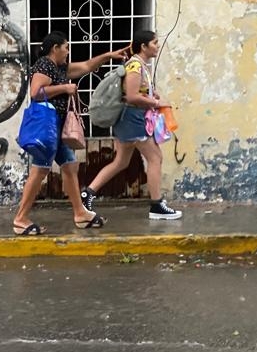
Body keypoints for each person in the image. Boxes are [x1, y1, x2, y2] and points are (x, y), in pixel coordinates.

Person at [12, 32, 128, 235]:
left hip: (58, 126)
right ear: (55, 48)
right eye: (65, 47)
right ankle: (20, 219)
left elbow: (86, 66)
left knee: (70, 165)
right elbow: (36, 92)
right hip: (47, 126)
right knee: (40, 170)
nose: (68, 51)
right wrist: (64, 88)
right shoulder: (44, 65)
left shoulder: (60, 68)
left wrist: (109, 55)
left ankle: (80, 214)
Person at [80, 29, 183, 220]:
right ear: (143, 46)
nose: (157, 46)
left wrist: (151, 96)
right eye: (154, 43)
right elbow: (132, 96)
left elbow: (137, 93)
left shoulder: (140, 65)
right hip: (133, 119)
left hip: (129, 119)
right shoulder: (135, 66)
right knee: (155, 158)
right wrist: (154, 103)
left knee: (121, 162)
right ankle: (156, 205)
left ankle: (88, 193)